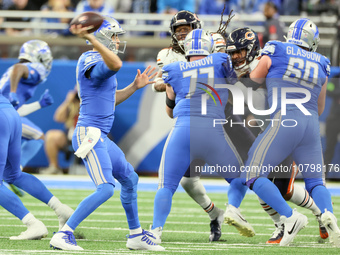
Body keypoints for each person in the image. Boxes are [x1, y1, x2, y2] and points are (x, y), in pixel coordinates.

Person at [49, 15, 164, 251]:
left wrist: (133, 87)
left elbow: (109, 100)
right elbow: (115, 65)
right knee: (105, 188)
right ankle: (64, 234)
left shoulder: (97, 59)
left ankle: (135, 235)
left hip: (100, 134)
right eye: (113, 35)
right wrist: (91, 36)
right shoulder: (90, 58)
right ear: (101, 36)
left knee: (130, 179)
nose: (118, 41)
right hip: (88, 133)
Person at [150, 28, 255, 244]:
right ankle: (233, 209)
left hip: (183, 131)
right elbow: (236, 89)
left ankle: (155, 232)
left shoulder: (173, 68)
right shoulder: (220, 60)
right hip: (214, 130)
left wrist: (165, 84)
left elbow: (170, 110)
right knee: (242, 178)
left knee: (166, 186)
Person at [242, 18, 340, 247]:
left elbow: (254, 81)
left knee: (252, 174)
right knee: (316, 182)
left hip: (285, 120)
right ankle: (329, 218)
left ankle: (289, 217)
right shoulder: (323, 62)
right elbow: (320, 107)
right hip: (310, 125)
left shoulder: (277, 48)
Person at [153, 10, 224, 242]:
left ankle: (282, 219)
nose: (183, 36)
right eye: (179, 31)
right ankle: (216, 213)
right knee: (187, 180)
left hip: (220, 117)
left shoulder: (215, 53)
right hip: (188, 118)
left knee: (249, 176)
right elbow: (160, 88)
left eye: (187, 30)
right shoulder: (169, 57)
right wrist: (176, 82)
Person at [0, 87, 73, 240]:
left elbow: (18, 70)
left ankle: (32, 224)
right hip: (11, 114)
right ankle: (60, 208)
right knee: (13, 175)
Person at [0, 40, 54, 171]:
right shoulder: (35, 67)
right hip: (4, 115)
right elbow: (20, 68)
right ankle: (15, 169)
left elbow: (16, 109)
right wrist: (13, 92)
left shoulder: (11, 71)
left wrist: (38, 105)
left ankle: (13, 170)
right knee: (38, 136)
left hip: (5, 114)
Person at [41, 88, 80, 175]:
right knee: (51, 136)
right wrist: (68, 101)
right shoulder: (72, 105)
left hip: (89, 138)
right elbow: (58, 118)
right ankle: (54, 168)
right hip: (70, 138)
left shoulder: (94, 103)